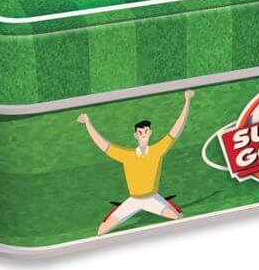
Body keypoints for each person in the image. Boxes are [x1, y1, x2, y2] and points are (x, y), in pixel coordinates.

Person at [77, 90, 195, 235]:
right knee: (101, 231)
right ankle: (118, 210)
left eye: (145, 131)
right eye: (140, 132)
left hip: (152, 198)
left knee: (178, 217)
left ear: (150, 132)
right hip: (133, 200)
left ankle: (167, 203)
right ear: (135, 135)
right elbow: (103, 145)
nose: (143, 134)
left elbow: (176, 130)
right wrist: (87, 122)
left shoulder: (157, 150)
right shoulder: (127, 155)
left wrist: (187, 101)